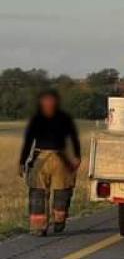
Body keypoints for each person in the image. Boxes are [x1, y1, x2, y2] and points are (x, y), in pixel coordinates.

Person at [18, 90, 81, 236]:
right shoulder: (41, 119)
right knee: (39, 194)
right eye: (46, 101)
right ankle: (40, 227)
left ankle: (58, 221)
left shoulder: (60, 118)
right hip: (44, 157)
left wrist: (77, 156)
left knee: (61, 192)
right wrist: (22, 161)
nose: (48, 104)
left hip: (56, 158)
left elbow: (73, 137)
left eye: (50, 101)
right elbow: (28, 141)